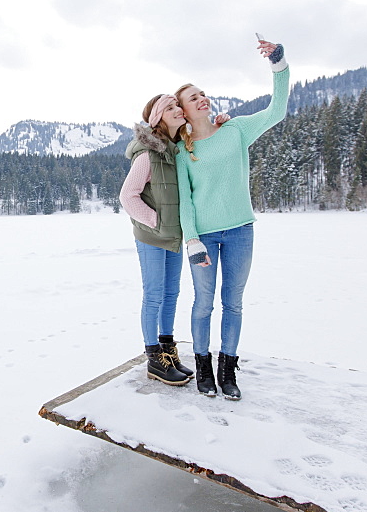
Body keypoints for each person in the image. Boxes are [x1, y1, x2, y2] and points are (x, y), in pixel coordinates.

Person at [175, 39, 290, 399]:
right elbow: (185, 200)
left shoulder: (236, 130)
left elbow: (278, 109)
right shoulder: (183, 149)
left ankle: (228, 371)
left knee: (234, 302)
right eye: (193, 97)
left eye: (203, 93)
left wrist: (278, 64)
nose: (202, 99)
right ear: (183, 110)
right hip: (204, 237)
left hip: (241, 230)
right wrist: (191, 240)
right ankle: (203, 369)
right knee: (204, 302)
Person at [118, 94, 193, 386]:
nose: (178, 110)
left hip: (172, 235)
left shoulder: (176, 151)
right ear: (158, 118)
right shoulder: (148, 154)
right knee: (154, 294)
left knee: (171, 293)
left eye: (178, 105)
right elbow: (128, 196)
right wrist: (155, 222)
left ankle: (167, 349)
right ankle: (153, 358)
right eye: (170, 107)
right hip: (152, 235)